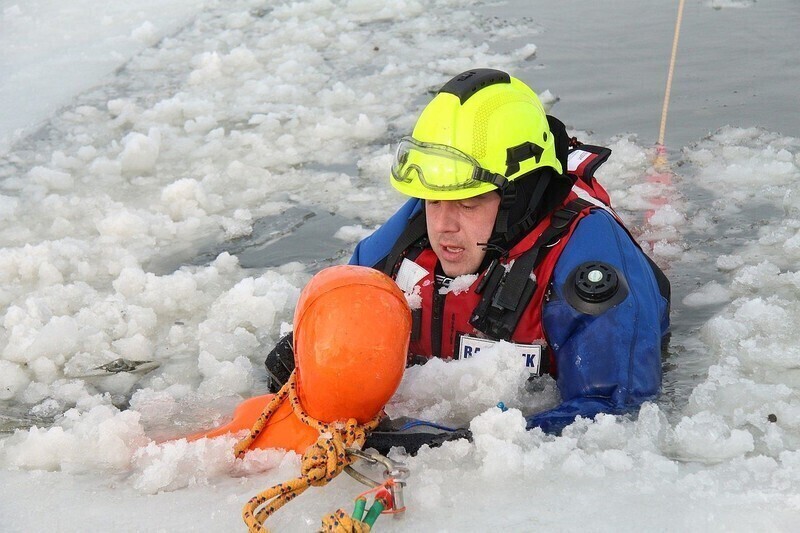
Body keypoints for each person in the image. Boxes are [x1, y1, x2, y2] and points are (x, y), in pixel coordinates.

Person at [266, 68, 670, 448]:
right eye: (433, 200)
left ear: (517, 199)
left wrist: (453, 445)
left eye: (468, 204)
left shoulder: (589, 261)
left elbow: (612, 415)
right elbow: (339, 317)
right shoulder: (400, 246)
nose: (443, 226)